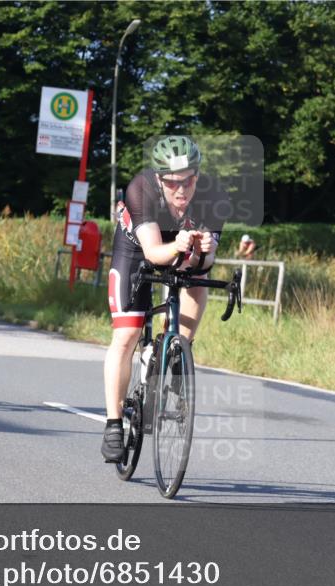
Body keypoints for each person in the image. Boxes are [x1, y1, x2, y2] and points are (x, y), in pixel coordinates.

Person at [102, 135, 232, 462]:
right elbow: (154, 252)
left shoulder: (213, 196)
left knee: (197, 280)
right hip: (137, 248)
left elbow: (203, 263)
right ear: (159, 178)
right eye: (172, 182)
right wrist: (177, 246)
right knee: (127, 333)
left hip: (181, 243)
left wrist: (205, 251)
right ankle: (114, 424)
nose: (180, 190)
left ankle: (177, 356)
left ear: (197, 177)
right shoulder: (140, 190)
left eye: (187, 181)